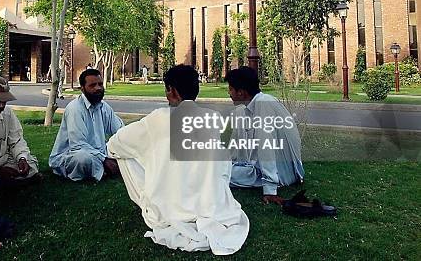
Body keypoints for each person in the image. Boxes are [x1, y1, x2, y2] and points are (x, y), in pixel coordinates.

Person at [107, 65, 249, 255]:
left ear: (171, 90)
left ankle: (160, 197)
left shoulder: (158, 119)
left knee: (125, 154)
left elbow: (114, 144)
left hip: (171, 202)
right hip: (210, 199)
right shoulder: (213, 117)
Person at [225, 66, 304, 205]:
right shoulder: (247, 109)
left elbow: (266, 145)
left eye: (231, 89)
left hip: (283, 174)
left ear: (241, 92)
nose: (229, 93)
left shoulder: (263, 104)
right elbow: (237, 147)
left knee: (218, 174)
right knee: (219, 169)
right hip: (262, 169)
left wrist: (270, 190)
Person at [49, 69, 124, 181]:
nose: (98, 88)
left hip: (99, 154)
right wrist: (104, 159)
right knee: (83, 159)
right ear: (82, 89)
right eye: (92, 85)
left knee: (125, 149)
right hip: (72, 155)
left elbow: (120, 131)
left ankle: (105, 168)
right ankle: (106, 169)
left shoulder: (104, 107)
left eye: (100, 84)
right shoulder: (75, 109)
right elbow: (78, 144)